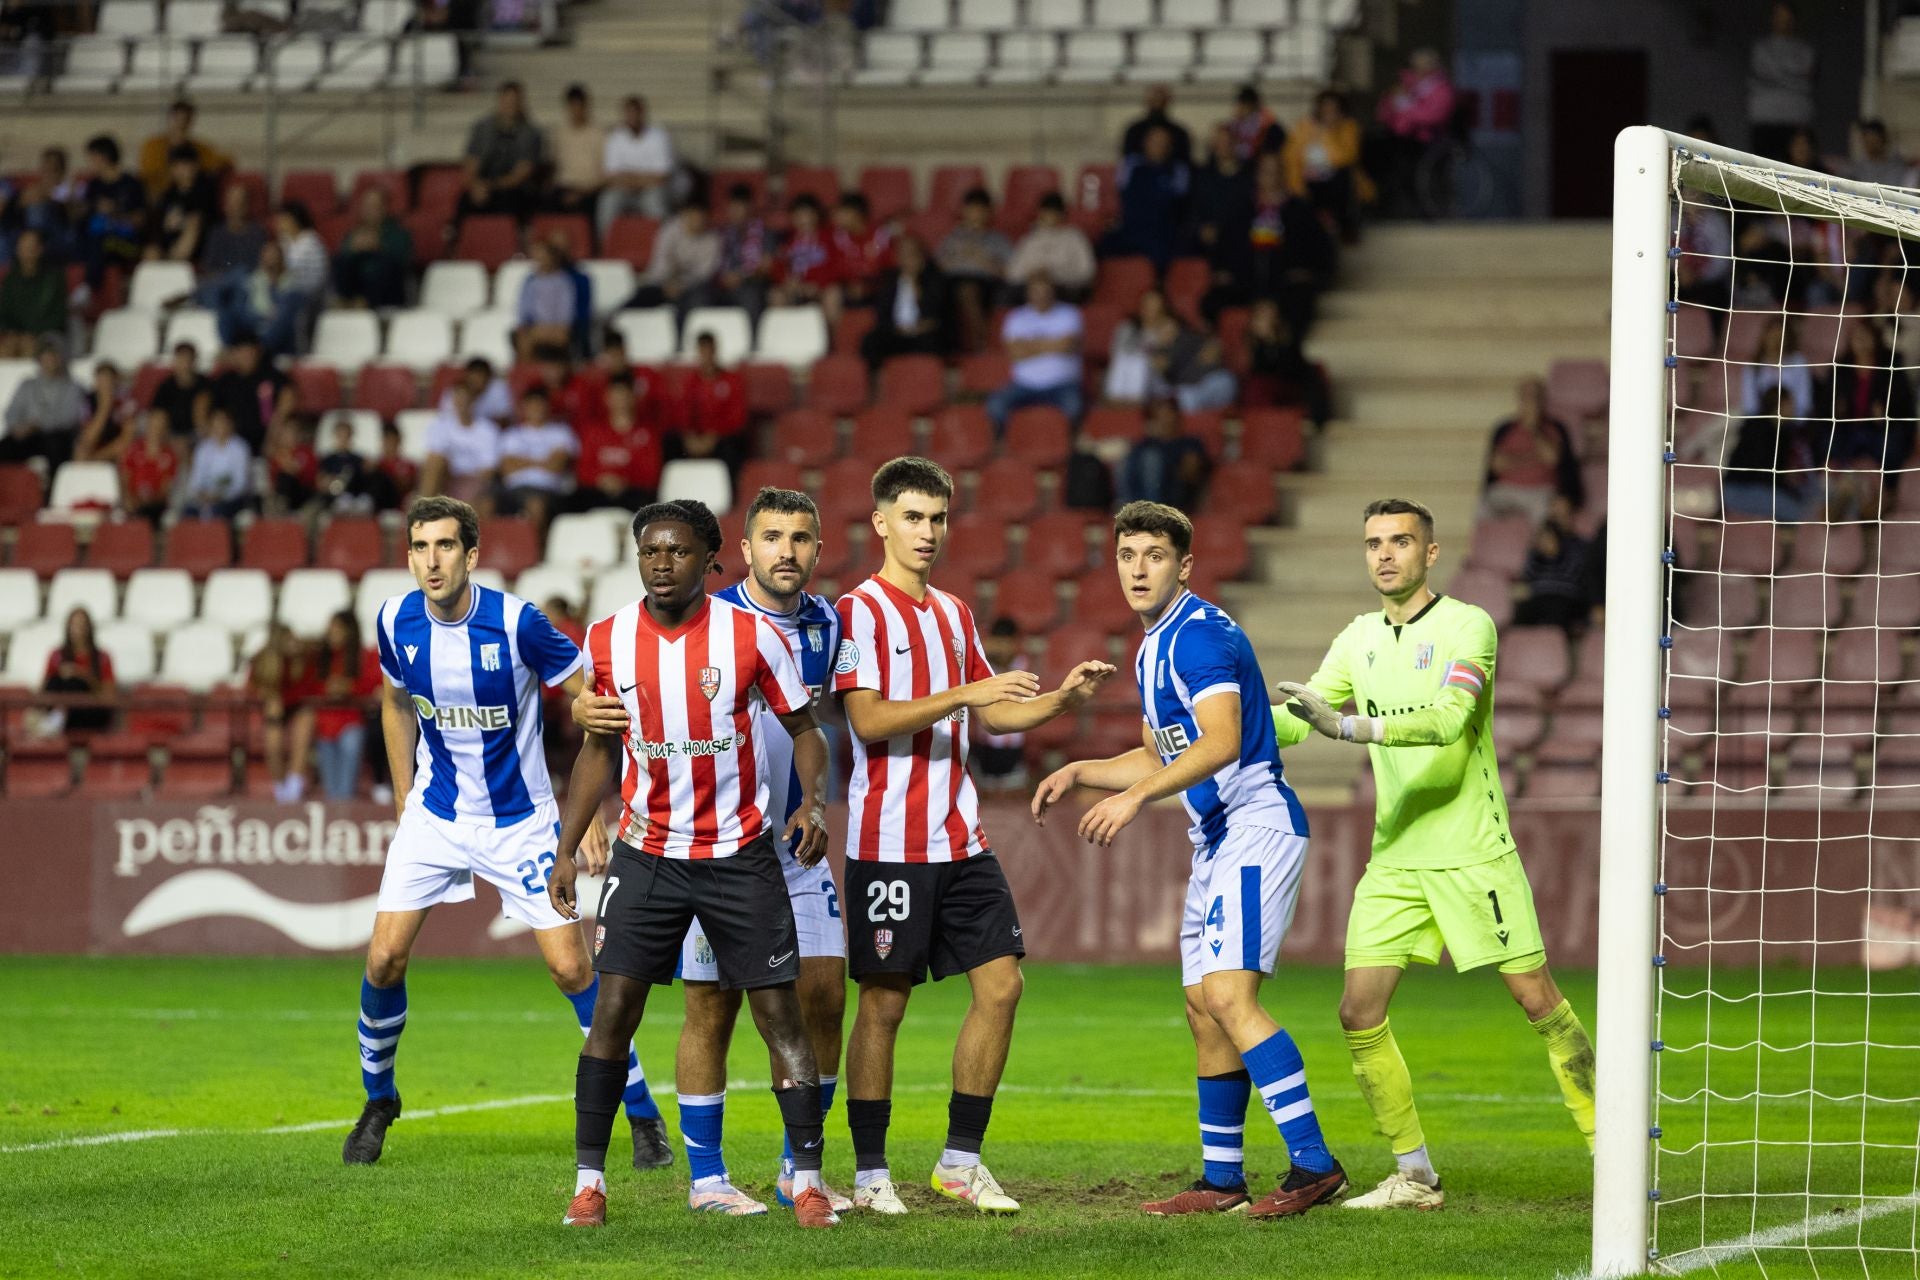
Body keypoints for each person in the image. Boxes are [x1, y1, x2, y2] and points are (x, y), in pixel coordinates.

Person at [1271, 497, 1597, 1206]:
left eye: (1399, 542)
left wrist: (1352, 728)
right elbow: (1302, 721)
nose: (1384, 554)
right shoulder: (1356, 638)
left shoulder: (1466, 625)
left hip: (1475, 852)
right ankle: (1414, 1173)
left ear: (1430, 553)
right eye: (1373, 543)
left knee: (1538, 1001)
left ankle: (1612, 1149)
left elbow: (1452, 720)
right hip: (1395, 859)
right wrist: (1221, 730)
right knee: (1358, 1012)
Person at [1032, 500, 1345, 1219]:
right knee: (1203, 1007)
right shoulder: (1153, 645)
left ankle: (1314, 1165)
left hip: (1255, 825)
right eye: (1127, 555)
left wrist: (1137, 797)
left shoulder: (1199, 636)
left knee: (1231, 999)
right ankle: (1221, 1180)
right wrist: (1084, 768)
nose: (1138, 568)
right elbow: (1163, 749)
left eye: (1154, 555)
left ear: (1184, 566)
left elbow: (1221, 739)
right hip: (1217, 836)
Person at [343, 496, 669, 1171]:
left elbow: (592, 701)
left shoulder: (519, 623)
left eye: (443, 546)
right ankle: (379, 1101)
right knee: (382, 960)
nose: (430, 560)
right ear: (409, 556)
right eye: (419, 547)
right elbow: (395, 700)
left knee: (571, 968)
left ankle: (642, 1114)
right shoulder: (394, 619)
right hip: (435, 816)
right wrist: (405, 796)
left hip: (521, 822)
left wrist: (591, 809)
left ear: (471, 554)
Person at [831, 456, 1114, 1215]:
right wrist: (964, 691)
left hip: (961, 840)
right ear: (881, 522)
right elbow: (867, 719)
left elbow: (995, 711)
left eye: (939, 518)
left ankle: (959, 1160)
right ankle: (867, 1172)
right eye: (915, 518)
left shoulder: (954, 614)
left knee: (1003, 985)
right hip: (889, 841)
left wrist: (1059, 698)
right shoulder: (857, 612)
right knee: (884, 1005)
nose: (929, 533)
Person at [546, 498, 839, 1230]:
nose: (661, 563)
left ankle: (805, 1180)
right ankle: (589, 1185)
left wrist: (813, 805)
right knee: (613, 1013)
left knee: (782, 1016)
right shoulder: (609, 639)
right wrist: (564, 848)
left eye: (677, 552)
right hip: (647, 858)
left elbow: (807, 730)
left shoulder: (752, 637)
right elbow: (599, 749)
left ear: (710, 559)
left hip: (740, 855)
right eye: (650, 551)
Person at [287, 610, 382, 801]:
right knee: (332, 792)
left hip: (352, 722)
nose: (330, 632)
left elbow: (376, 684)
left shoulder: (365, 656)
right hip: (324, 726)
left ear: (349, 631)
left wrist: (350, 687)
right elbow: (306, 687)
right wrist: (328, 687)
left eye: (336, 628)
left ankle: (346, 815)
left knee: (345, 788)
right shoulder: (320, 658)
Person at [985, 274, 1083, 436]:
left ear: (1053, 291)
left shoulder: (1069, 313)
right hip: (1023, 385)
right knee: (995, 405)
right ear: (1028, 292)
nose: (1041, 295)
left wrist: (1029, 345)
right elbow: (1015, 353)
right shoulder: (1016, 317)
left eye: (1045, 290)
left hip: (1062, 385)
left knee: (1074, 407)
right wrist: (1051, 344)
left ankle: (1066, 448)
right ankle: (1013, 444)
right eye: (1036, 291)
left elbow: (1066, 346)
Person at [1481, 378, 1582, 523]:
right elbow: (1497, 465)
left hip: (1541, 492)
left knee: (1547, 516)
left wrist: (1533, 429)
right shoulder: (1504, 429)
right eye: (1526, 396)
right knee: (1481, 508)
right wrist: (1532, 458)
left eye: (1535, 397)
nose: (1530, 402)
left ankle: (1535, 546)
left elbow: (1552, 458)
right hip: (1506, 489)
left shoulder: (1555, 428)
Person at [1374, 49, 1456, 216]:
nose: (1418, 69)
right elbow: (1384, 112)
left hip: (1426, 139)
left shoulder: (1442, 90)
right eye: (1416, 65)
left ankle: (1417, 210)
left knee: (1410, 169)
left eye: (1423, 65)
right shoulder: (1405, 85)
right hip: (1399, 136)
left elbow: (1434, 116)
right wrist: (1394, 106)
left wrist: (1407, 110)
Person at [456, 81, 547, 226]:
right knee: (465, 200)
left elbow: (522, 173)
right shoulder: (482, 128)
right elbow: (470, 163)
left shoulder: (531, 133)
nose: (511, 105)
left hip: (512, 190)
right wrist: (476, 185)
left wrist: (492, 186)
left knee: (512, 200)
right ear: (500, 101)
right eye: (507, 101)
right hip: (482, 186)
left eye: (515, 101)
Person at [1284, 89, 1368, 240]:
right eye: (1325, 108)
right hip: (1307, 179)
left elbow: (1346, 157)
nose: (1328, 113)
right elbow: (1291, 155)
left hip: (1335, 179)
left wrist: (1330, 132)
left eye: (1333, 109)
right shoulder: (1304, 127)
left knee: (1340, 178)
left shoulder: (1348, 127)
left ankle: (1342, 227)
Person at [936, 188, 1012, 353]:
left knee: (967, 290)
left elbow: (1010, 273)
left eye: (980, 210)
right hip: (950, 280)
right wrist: (956, 259)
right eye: (971, 209)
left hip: (985, 283)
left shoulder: (998, 240)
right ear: (964, 211)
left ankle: (981, 344)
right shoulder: (952, 238)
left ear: (988, 212)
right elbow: (936, 266)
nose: (975, 214)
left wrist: (983, 260)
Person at [859, 234, 950, 370]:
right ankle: (877, 383)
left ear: (922, 257)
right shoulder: (890, 279)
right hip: (897, 332)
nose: (907, 259)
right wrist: (895, 328)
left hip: (924, 333)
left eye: (911, 254)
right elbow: (882, 313)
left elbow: (936, 313)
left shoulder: (935, 278)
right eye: (902, 254)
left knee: (933, 343)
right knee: (870, 341)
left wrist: (915, 283)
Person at [572, 372, 661, 510]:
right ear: (607, 398)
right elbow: (583, 469)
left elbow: (651, 474)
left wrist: (623, 481)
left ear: (633, 397)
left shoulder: (646, 434)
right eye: (616, 396)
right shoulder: (594, 432)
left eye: (624, 395)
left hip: (632, 493)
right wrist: (600, 479)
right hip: (598, 492)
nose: (620, 401)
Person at [496, 384, 577, 535]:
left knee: (536, 504)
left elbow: (556, 466)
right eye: (532, 405)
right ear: (524, 407)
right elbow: (507, 468)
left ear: (547, 407)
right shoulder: (511, 434)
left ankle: (535, 554)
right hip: (513, 490)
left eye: (540, 405)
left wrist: (521, 461)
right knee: (485, 502)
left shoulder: (561, 432)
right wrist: (541, 461)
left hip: (548, 491)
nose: (536, 409)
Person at [1107, 125, 1190, 271]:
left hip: (1162, 232)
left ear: (1170, 147)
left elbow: (1180, 204)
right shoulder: (1131, 165)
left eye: (1163, 143)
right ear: (1145, 143)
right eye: (1154, 142)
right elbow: (1120, 194)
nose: (1158, 146)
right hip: (1131, 229)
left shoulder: (1178, 170)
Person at [1243, 297, 1332, 427]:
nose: (1266, 319)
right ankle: (1261, 424)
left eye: (1269, 315)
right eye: (1262, 316)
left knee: (1312, 376)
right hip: (1269, 389)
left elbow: (1292, 366)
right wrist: (1263, 344)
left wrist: (1272, 341)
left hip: (1292, 384)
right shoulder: (1252, 342)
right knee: (1258, 385)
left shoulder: (1287, 337)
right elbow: (1258, 369)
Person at [0, 335, 88, 467]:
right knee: (5, 447)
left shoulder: (74, 387)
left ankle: (53, 486)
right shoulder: (27, 385)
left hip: (57, 436)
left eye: (54, 356)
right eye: (46, 356)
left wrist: (37, 425)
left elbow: (69, 418)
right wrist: (17, 427)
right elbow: (11, 412)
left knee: (56, 446)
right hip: (27, 435)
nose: (50, 361)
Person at [630, 203, 719, 331]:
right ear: (685, 215)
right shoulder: (669, 230)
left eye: (701, 218)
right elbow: (660, 263)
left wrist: (681, 285)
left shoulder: (712, 239)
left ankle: (679, 343)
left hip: (690, 289)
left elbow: (704, 274)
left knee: (695, 301)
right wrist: (667, 284)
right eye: (694, 217)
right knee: (642, 296)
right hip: (663, 284)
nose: (697, 222)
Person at [671, 331, 750, 474]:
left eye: (710, 350)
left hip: (721, 438)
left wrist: (714, 436)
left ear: (715, 351)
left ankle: (730, 490)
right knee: (670, 443)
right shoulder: (690, 382)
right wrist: (689, 437)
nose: (706, 355)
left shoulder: (732, 380)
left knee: (732, 446)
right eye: (703, 350)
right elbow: (682, 412)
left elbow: (737, 417)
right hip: (696, 438)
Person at [596, 94, 675, 235]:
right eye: (628, 113)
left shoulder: (658, 136)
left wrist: (627, 176)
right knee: (607, 202)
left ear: (643, 113)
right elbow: (609, 176)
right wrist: (643, 177)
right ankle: (606, 248)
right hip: (622, 190)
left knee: (656, 205)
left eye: (635, 112)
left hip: (650, 190)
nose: (632, 117)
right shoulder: (615, 137)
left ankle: (661, 249)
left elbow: (662, 176)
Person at [77, 134, 147, 291]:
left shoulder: (131, 184)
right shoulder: (93, 185)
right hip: (96, 239)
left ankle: (88, 288)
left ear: (104, 157)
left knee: (102, 242)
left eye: (93, 157)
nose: (90, 162)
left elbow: (139, 221)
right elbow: (83, 215)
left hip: (127, 244)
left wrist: (114, 212)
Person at [204, 333, 294, 452]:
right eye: (241, 352)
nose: (246, 356)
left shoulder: (271, 376)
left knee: (288, 434)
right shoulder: (225, 380)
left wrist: (274, 430)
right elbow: (211, 407)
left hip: (267, 436)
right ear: (234, 353)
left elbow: (288, 396)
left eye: (250, 352)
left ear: (258, 352)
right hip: (232, 439)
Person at [420, 380, 502, 509]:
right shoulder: (439, 426)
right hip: (447, 478)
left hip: (473, 481)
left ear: (473, 400)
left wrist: (467, 481)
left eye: (465, 398)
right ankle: (423, 512)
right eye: (457, 397)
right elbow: (433, 460)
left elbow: (488, 470)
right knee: (435, 462)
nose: (461, 402)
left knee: (479, 497)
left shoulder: (488, 430)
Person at [1749, 2, 1814, 159]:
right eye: (1779, 16)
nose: (1783, 21)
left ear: (1794, 20)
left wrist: (1777, 75)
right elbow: (1762, 72)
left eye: (1787, 17)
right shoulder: (1761, 48)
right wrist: (1792, 77)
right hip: (1764, 118)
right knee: (1762, 166)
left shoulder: (1805, 51)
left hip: (1795, 117)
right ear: (1773, 19)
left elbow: (1807, 76)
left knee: (1792, 167)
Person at [1119, 399, 1210, 510]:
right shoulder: (1147, 444)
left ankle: (1152, 512)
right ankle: (1129, 509)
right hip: (1143, 496)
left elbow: (1191, 474)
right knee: (1125, 460)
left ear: (1177, 417)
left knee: (1152, 459)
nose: (1164, 420)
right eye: (1158, 416)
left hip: (1174, 494)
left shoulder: (1190, 442)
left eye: (1167, 414)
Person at [331, 186, 413, 310]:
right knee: (340, 261)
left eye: (374, 206)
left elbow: (401, 261)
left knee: (383, 267)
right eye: (366, 206)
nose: (369, 210)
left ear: (384, 208)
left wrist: (378, 246)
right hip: (356, 288)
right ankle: (344, 301)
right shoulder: (354, 233)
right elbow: (343, 256)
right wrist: (353, 249)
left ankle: (363, 302)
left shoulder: (398, 233)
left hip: (387, 292)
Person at [972, 617, 1030, 791]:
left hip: (1013, 750)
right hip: (984, 748)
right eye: (999, 644)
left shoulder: (1023, 664)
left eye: (1007, 643)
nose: (1003, 649)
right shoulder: (982, 665)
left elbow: (1007, 665)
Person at [1004, 194, 1095, 301]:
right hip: (1031, 287)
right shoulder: (1031, 239)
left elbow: (1087, 272)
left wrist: (1053, 274)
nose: (1049, 216)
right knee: (1007, 294)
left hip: (1063, 287)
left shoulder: (1075, 237)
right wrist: (1032, 275)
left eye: (1054, 213)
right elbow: (1012, 273)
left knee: (1048, 293)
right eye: (1046, 212)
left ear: (1062, 214)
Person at [1510, 515, 1592, 635]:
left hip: (1564, 599)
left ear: (1557, 539)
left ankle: (1556, 647)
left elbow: (1574, 581)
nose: (1544, 542)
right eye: (1541, 538)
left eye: (1548, 537)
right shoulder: (1534, 558)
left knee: (1559, 611)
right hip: (1539, 598)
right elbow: (1527, 579)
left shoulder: (1571, 556)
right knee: (1522, 612)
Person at [1186, 123, 1252, 269]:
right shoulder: (1202, 176)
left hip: (1239, 245)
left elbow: (1248, 211)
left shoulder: (1248, 177)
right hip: (1208, 247)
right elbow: (1194, 208)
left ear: (1235, 143)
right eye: (1219, 142)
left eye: (1227, 141)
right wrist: (1200, 228)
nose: (1223, 146)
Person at [768, 194, 844, 321]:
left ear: (816, 216)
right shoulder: (787, 240)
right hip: (794, 288)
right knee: (775, 295)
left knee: (833, 294)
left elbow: (836, 266)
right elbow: (777, 267)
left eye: (807, 215)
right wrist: (787, 282)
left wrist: (817, 283)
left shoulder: (829, 238)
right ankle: (783, 337)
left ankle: (830, 340)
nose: (803, 220)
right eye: (798, 216)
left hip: (820, 288)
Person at [515, 236, 592, 361]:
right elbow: (524, 309)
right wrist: (531, 326)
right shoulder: (531, 282)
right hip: (537, 327)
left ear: (552, 257)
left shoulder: (564, 282)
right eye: (538, 257)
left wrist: (554, 327)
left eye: (544, 256)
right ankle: (528, 373)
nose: (541, 260)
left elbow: (566, 310)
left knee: (561, 336)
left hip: (558, 327)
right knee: (523, 338)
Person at [42, 606, 116, 734]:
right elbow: (45, 690)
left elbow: (108, 696)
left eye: (82, 625)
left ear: (90, 628)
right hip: (64, 709)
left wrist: (82, 674)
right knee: (57, 680)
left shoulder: (102, 658)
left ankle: (57, 719)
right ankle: (58, 717)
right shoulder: (57, 656)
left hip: (90, 712)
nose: (78, 630)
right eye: (74, 625)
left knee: (75, 683)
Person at [1105, 288, 1184, 404]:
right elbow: (1116, 352)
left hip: (1161, 382)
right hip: (1128, 378)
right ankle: (1115, 403)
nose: (1149, 308)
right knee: (1125, 359)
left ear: (1163, 308)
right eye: (1146, 304)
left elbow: (1171, 362)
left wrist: (1159, 356)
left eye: (1154, 305)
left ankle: (1135, 406)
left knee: (1140, 362)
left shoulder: (1172, 328)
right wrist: (1155, 340)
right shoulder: (1128, 327)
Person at [708, 183, 773, 324]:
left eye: (739, 207)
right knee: (700, 294)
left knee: (751, 295)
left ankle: (752, 342)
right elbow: (712, 263)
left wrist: (741, 277)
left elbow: (766, 266)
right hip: (721, 284)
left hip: (750, 284)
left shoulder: (764, 233)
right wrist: (723, 278)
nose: (734, 211)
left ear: (749, 207)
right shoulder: (721, 234)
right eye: (731, 207)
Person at [137, 99, 230, 196]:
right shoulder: (153, 147)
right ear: (169, 118)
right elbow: (146, 175)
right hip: (159, 199)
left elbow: (223, 162)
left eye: (185, 120)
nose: (180, 125)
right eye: (177, 119)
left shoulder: (199, 149)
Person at [146, 144, 217, 264]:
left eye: (185, 165)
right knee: (151, 252)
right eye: (176, 166)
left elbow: (200, 220)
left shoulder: (205, 190)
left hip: (197, 243)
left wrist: (181, 222)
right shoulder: (168, 194)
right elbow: (160, 222)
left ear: (195, 166)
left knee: (192, 227)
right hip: (168, 241)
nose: (181, 170)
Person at [180, 406, 254, 519]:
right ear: (211, 424)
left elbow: (240, 484)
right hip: (205, 499)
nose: (220, 426)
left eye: (223, 422)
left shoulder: (240, 448)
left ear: (230, 424)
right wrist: (203, 496)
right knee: (188, 513)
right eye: (216, 422)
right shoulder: (202, 449)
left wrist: (219, 496)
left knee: (216, 512)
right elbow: (195, 481)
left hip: (232, 499)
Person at [0, 228, 66, 356]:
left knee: (31, 349)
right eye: (23, 247)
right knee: (5, 350)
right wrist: (11, 333)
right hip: (17, 336)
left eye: (31, 247)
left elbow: (59, 315)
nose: (26, 251)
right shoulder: (11, 279)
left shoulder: (54, 278)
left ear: (40, 249)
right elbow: (5, 313)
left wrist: (34, 333)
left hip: (46, 335)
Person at [828, 192, 893, 313]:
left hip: (876, 287)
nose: (836, 217)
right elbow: (835, 269)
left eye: (841, 213)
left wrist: (868, 286)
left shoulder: (880, 235)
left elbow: (888, 268)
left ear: (856, 213)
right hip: (848, 287)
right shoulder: (837, 236)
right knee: (832, 293)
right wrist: (849, 284)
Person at [549, 84, 604, 215]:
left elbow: (604, 173)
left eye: (579, 106)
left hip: (589, 188)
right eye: (572, 106)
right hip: (564, 186)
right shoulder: (559, 133)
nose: (576, 110)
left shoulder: (598, 134)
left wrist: (582, 192)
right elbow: (554, 164)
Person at [121, 409, 181, 524]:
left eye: (160, 426)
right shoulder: (134, 450)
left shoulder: (169, 456)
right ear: (147, 426)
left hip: (156, 506)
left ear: (165, 429)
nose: (156, 430)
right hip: (133, 501)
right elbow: (125, 478)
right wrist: (130, 498)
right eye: (153, 425)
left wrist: (148, 500)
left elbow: (165, 490)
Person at [199, 181, 269, 278]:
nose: (234, 208)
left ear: (246, 206)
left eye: (239, 203)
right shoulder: (216, 234)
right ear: (225, 206)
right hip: (221, 284)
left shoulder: (257, 234)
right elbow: (209, 267)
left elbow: (259, 269)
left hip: (247, 284)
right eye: (231, 203)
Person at [74, 360, 137, 463]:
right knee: (80, 452)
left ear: (115, 380)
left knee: (124, 449)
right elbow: (88, 438)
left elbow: (128, 436)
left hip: (115, 446)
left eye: (108, 379)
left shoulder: (125, 400)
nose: (104, 384)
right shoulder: (88, 401)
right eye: (100, 380)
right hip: (96, 443)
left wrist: (96, 457)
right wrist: (104, 408)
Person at [151, 341, 208, 444]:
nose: (185, 363)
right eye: (181, 358)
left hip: (198, 433)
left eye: (188, 359)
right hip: (172, 434)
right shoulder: (166, 386)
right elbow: (157, 414)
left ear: (194, 360)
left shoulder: (204, 384)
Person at [1121, 84, 1192, 168]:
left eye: (1161, 98)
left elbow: (1184, 164)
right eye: (1154, 97)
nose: (1157, 100)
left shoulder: (1179, 133)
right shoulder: (1134, 131)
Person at [1228, 84, 1285, 163]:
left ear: (1252, 105)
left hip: (1258, 165)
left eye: (1243, 105)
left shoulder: (1269, 127)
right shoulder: (1234, 126)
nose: (1239, 108)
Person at [1852, 119, 1914, 187]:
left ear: (1882, 140)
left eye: (1872, 141)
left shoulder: (1896, 166)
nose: (1868, 145)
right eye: (1865, 141)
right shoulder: (1859, 167)